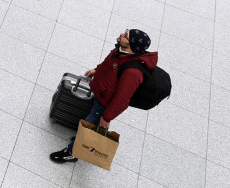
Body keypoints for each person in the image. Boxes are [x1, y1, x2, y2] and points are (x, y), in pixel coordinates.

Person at [49, 29, 159, 164]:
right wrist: (96, 70)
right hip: (100, 94)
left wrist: (106, 117)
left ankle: (72, 153)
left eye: (125, 36)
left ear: (133, 46)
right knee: (89, 122)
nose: (121, 34)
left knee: (89, 126)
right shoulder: (120, 50)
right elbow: (108, 64)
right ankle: (80, 140)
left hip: (104, 104)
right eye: (125, 32)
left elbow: (122, 100)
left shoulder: (133, 73)